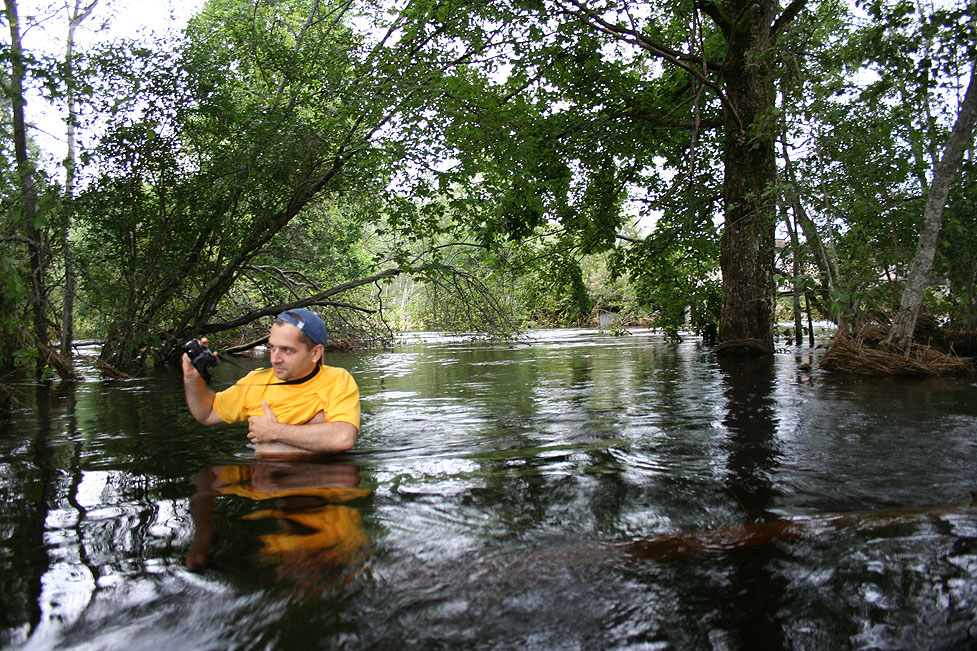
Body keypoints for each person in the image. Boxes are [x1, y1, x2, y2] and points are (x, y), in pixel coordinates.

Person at [182, 308, 359, 456]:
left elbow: (342, 438)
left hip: (324, 484)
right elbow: (207, 413)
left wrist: (273, 432)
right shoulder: (254, 382)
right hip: (264, 484)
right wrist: (192, 377)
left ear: (315, 353)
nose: (275, 359)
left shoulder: (337, 380)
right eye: (272, 348)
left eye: (287, 350)